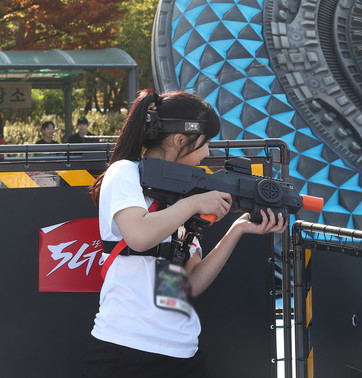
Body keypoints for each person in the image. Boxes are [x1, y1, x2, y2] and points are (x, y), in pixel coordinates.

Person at [85, 89, 287, 377]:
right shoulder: (125, 173)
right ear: (179, 140)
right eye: (205, 143)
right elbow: (139, 236)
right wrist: (193, 204)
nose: (207, 153)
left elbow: (188, 284)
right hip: (126, 345)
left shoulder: (182, 193)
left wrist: (238, 229)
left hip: (182, 348)